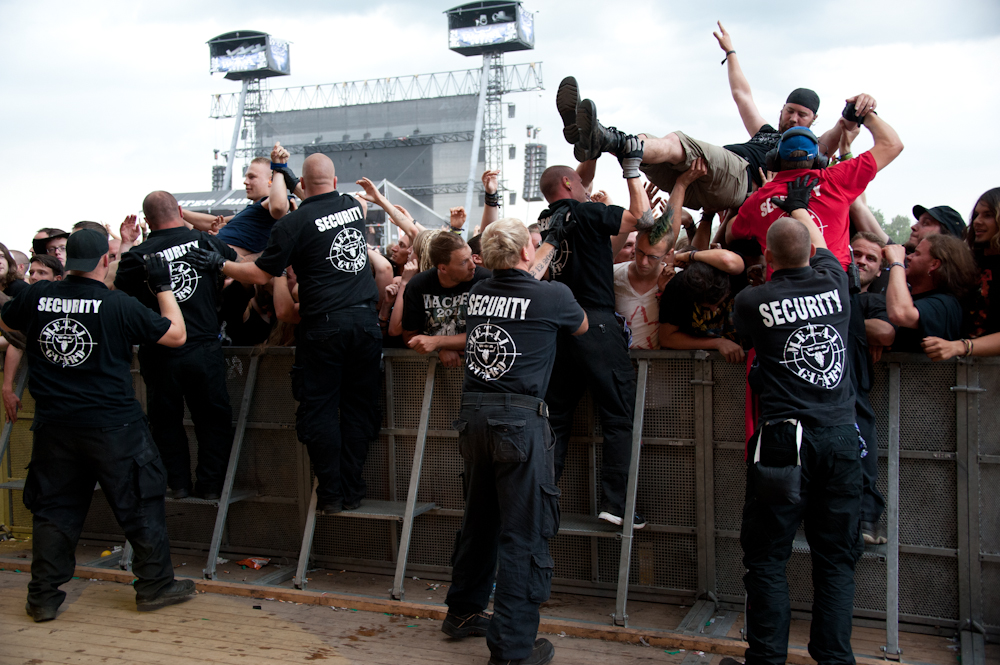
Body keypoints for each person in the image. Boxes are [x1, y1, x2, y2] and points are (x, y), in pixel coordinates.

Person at [0, 229, 194, 620]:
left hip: (54, 425)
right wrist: (163, 287)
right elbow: (176, 334)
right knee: (140, 503)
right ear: (105, 261)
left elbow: (8, 321)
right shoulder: (116, 304)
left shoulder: (36, 297)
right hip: (113, 425)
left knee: (54, 511)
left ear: (67, 260)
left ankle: (42, 597)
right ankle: (155, 586)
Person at [185, 153, 381, 516]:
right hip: (366, 324)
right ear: (336, 183)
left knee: (319, 410)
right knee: (359, 411)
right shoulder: (353, 207)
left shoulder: (293, 224)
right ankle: (353, 489)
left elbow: (260, 275)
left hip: (323, 326)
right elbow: (318, 195)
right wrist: (287, 175)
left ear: (303, 187)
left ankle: (332, 494)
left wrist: (220, 264)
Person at [442, 217, 587, 665]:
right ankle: (511, 651)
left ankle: (463, 612)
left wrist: (542, 244)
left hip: (474, 419)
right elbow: (578, 326)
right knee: (524, 536)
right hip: (520, 425)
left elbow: (520, 279)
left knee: (481, 519)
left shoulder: (480, 293)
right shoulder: (555, 297)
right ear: (526, 252)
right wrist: (551, 245)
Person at [730, 176, 861, 665]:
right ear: (809, 252)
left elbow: (749, 345)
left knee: (766, 558)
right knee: (836, 559)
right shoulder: (837, 285)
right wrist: (804, 207)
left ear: (768, 255)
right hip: (840, 436)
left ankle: (766, 661)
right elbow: (823, 242)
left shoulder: (752, 301)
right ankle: (833, 658)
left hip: (785, 441)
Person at [557, 23, 867, 212]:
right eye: (790, 111)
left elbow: (844, 127)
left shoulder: (812, 147)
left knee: (676, 140)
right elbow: (742, 95)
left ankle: (603, 137)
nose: (795, 118)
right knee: (647, 146)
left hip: (739, 178)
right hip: (699, 186)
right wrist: (731, 53)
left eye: (803, 115)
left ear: (813, 120)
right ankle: (599, 139)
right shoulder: (766, 131)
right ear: (782, 110)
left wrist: (859, 107)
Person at [536, 133, 654, 528]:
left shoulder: (547, 219)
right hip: (596, 323)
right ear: (570, 185)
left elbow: (572, 181)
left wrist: (590, 152)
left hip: (559, 329)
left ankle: (542, 495)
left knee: (555, 418)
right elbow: (638, 218)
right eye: (581, 182)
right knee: (619, 416)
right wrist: (632, 168)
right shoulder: (585, 214)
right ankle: (617, 504)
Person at [115, 191, 239, 500]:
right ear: (180, 211)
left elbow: (117, 288)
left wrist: (128, 244)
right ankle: (211, 487)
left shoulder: (136, 257)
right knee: (213, 421)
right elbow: (236, 267)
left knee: (165, 422)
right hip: (204, 348)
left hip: (160, 350)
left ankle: (178, 484)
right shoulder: (206, 243)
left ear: (147, 221)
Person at [727, 105, 904, 269]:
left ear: (774, 160)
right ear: (819, 161)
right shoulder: (836, 180)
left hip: (782, 295)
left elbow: (731, 233)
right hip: (833, 290)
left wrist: (759, 200)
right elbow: (892, 145)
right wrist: (864, 113)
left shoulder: (759, 200)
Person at [182, 143, 301, 259]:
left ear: (271, 180)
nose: (245, 181)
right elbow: (213, 221)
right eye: (246, 177)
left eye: (252, 177)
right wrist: (179, 211)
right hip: (206, 252)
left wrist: (278, 168)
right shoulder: (252, 211)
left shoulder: (274, 203)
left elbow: (278, 207)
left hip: (212, 257)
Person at [401, 232, 490, 368]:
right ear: (443, 268)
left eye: (470, 257)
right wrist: (439, 349)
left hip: (479, 368)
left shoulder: (485, 281)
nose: (473, 265)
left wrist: (438, 342)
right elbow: (410, 337)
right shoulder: (418, 285)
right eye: (464, 262)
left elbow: (489, 334)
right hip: (431, 371)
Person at [883, 234, 978, 354]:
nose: (909, 257)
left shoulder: (946, 304)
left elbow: (900, 314)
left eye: (917, 254)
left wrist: (896, 263)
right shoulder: (910, 297)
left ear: (934, 264)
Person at [614, 219, 672, 350]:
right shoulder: (614, 275)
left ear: (668, 254)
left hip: (662, 367)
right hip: (621, 364)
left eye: (653, 257)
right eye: (640, 252)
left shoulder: (675, 279)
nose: (643, 262)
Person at [964, 187, 1000, 338]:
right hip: (956, 358)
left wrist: (963, 347)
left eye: (988, 215)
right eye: (976, 215)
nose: (977, 221)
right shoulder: (968, 261)